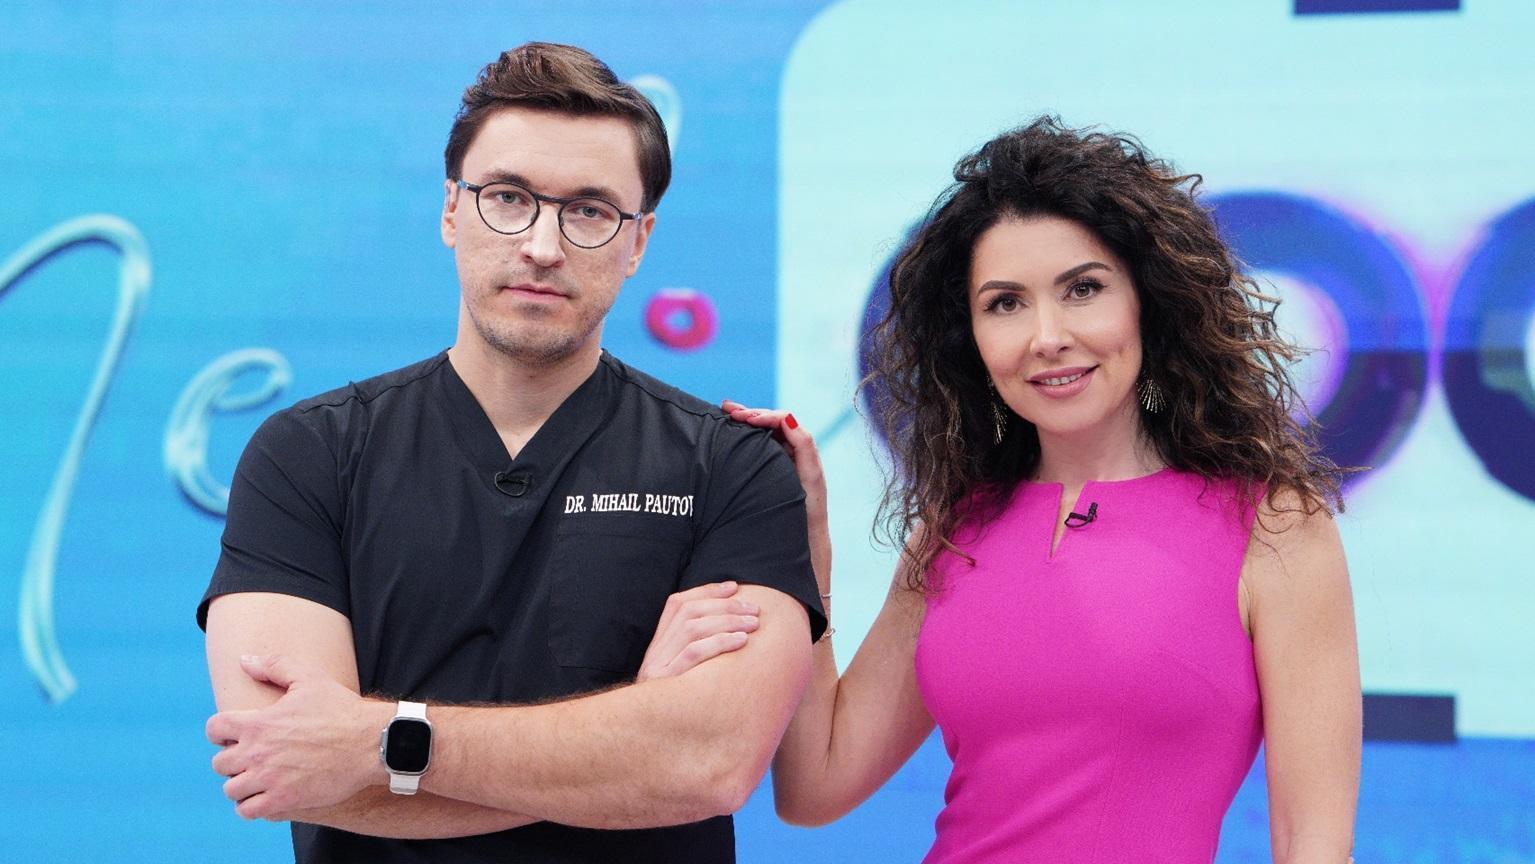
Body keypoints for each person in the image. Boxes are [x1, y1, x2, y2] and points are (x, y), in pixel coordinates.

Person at [197, 42, 826, 864]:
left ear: (639, 242)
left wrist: (381, 741)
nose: (541, 244)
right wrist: (630, 728)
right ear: (450, 211)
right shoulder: (308, 454)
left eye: (589, 211)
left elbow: (706, 765)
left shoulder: (733, 466)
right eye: (507, 198)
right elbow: (290, 768)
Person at [721, 118, 1362, 862]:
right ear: (969, 337)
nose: (1046, 336)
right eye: (1005, 303)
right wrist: (804, 549)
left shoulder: (1273, 525)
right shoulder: (954, 527)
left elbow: (1313, 843)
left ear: (1148, 302)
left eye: (1083, 289)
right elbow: (814, 786)